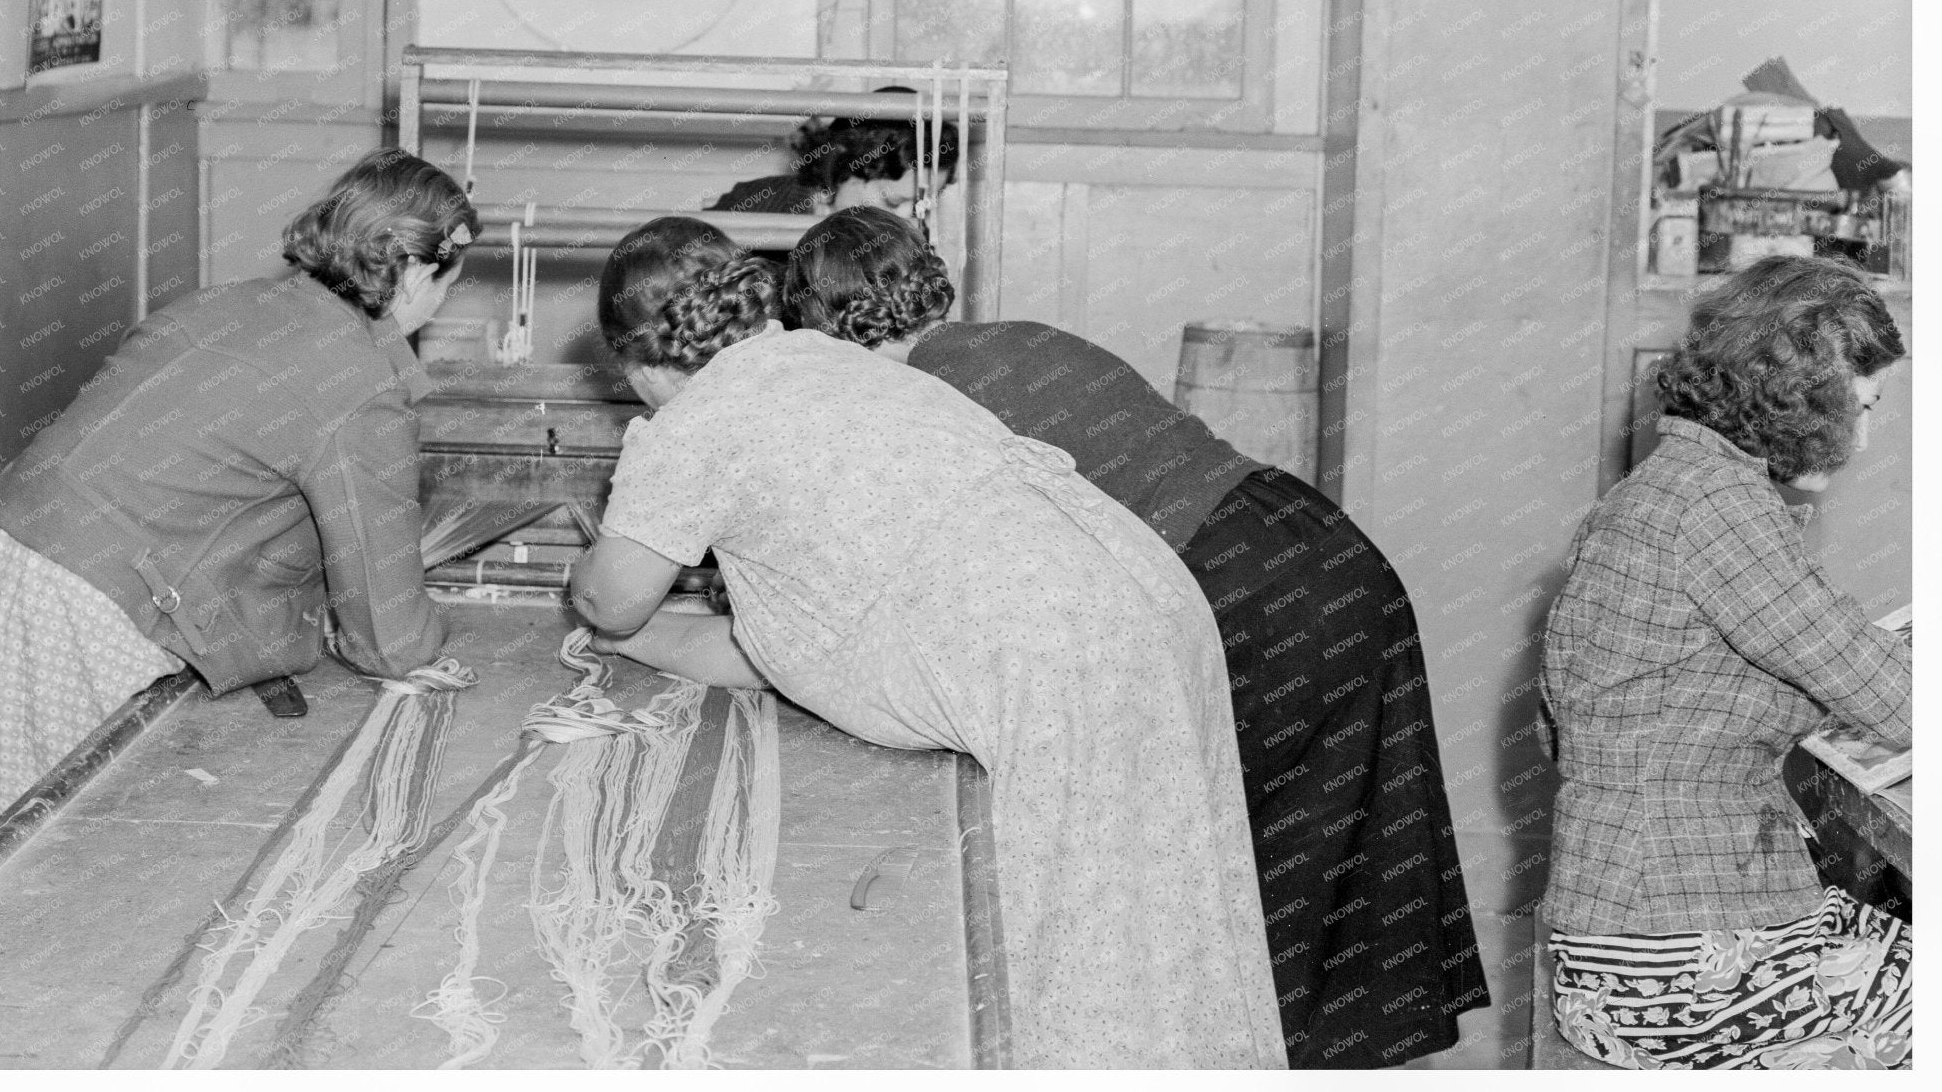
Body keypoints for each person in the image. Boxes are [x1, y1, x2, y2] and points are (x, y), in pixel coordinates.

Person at [568, 216, 1285, 1069]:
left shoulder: (697, 419)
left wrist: (601, 593)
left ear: (636, 362)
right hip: (1143, 605)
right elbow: (776, 646)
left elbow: (610, 597)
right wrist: (645, 641)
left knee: (1073, 949)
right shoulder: (827, 361)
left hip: (1051, 656)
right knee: (1172, 928)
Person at [782, 206, 1490, 1068]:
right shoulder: (1017, 337)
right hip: (1319, 548)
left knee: (1235, 873)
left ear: (822, 322)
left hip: (1236, 584)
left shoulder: (923, 395)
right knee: (1338, 859)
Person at [0, 149, 480, 875]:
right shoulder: (358, 383)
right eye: (446, 285)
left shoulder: (222, 303)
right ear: (410, 271)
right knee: (18, 875)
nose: (439, 306)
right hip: (78, 617)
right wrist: (442, 624)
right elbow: (393, 639)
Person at [1540, 255, 1911, 1070]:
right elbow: (1881, 684)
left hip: (1630, 929)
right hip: (1671, 954)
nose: (1865, 437)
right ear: (1804, 396)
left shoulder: (1669, 486)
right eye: (1863, 406)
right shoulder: (1716, 504)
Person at [707, 93, 960, 220]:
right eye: (892, 202)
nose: (908, 220)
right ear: (840, 168)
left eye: (920, 208)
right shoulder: (757, 205)